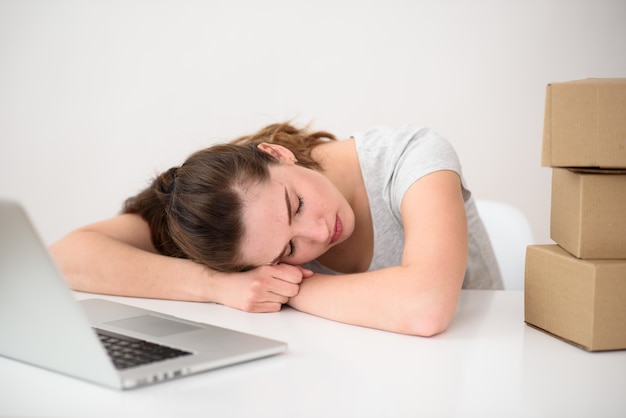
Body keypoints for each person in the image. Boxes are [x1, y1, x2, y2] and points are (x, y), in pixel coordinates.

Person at [50, 122, 503, 337]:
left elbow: (424, 308)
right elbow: (65, 257)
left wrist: (280, 289)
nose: (319, 233)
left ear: (279, 154)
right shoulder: (234, 230)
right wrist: (216, 285)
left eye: (297, 204)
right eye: (288, 249)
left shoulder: (412, 156)